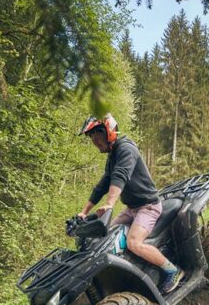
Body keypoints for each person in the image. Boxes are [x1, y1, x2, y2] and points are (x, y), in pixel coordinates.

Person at [77, 114, 184, 294]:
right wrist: (84, 212)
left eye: (97, 136)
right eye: (92, 138)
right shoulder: (112, 155)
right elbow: (103, 184)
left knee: (134, 242)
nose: (95, 142)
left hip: (148, 206)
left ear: (109, 132)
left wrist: (110, 204)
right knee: (107, 237)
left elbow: (120, 177)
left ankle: (171, 270)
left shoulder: (126, 149)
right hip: (132, 209)